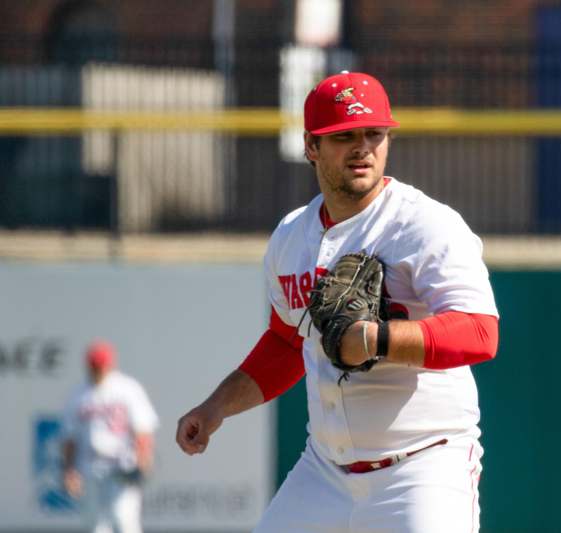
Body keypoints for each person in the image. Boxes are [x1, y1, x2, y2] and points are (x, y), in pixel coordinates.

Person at [175, 71, 499, 533]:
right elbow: (288, 344)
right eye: (344, 135)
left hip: (423, 466)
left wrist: (375, 338)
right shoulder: (290, 237)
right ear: (311, 146)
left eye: (374, 133)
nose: (362, 147)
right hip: (324, 472)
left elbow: (481, 333)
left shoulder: (426, 226)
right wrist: (215, 408)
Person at [61, 340, 159, 533]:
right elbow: (69, 438)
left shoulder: (127, 388)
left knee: (123, 519)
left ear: (111, 364)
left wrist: (143, 458)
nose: (98, 370)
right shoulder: (78, 394)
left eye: (101, 365)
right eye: (94, 366)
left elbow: (143, 427)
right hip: (89, 466)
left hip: (121, 465)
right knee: (95, 525)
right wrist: (69, 470)